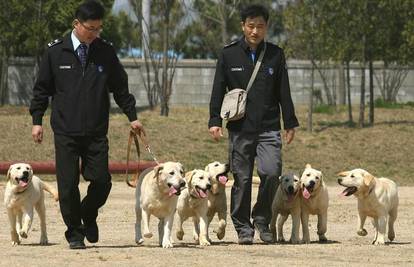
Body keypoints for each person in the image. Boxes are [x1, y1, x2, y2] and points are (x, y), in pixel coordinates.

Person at [29, 0, 144, 249]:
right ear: (76, 24)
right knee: (68, 185)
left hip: (95, 130)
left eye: (99, 29)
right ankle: (75, 233)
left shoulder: (105, 51)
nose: (95, 34)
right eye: (91, 28)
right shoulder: (55, 52)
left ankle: (88, 213)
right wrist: (36, 121)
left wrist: (132, 117)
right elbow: (41, 90)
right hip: (65, 130)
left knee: (102, 181)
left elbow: (120, 88)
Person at [208, 4, 299, 245]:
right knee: (243, 178)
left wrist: (289, 122)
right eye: (251, 26)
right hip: (239, 128)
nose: (255, 31)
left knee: (271, 173)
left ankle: (261, 218)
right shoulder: (228, 54)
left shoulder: (275, 55)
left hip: (269, 126)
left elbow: (284, 91)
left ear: (266, 27)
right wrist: (215, 120)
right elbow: (218, 89)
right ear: (243, 26)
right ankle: (242, 225)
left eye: (260, 26)